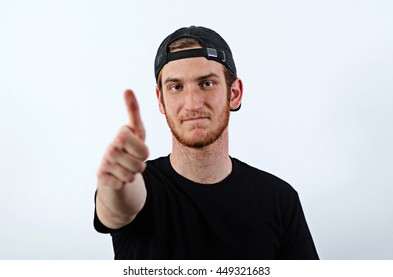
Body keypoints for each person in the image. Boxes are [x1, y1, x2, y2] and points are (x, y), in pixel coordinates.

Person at [94, 26, 319, 260]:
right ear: (161, 100)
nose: (192, 103)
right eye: (176, 87)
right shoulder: (140, 184)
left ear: (234, 93)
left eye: (206, 83)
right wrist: (115, 184)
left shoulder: (279, 199)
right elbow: (117, 209)